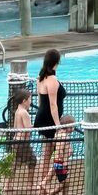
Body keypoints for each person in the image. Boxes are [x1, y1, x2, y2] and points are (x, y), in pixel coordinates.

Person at [34, 48, 67, 178]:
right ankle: (50, 181)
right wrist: (58, 125)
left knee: (47, 154)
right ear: (56, 62)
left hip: (42, 117)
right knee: (58, 152)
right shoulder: (52, 80)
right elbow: (53, 105)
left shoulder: (40, 78)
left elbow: (40, 101)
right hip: (50, 120)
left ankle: (44, 183)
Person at [38, 116, 76, 195]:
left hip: (58, 162)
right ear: (68, 126)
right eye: (72, 126)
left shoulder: (60, 134)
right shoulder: (63, 136)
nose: (74, 128)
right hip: (60, 163)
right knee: (65, 184)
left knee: (55, 179)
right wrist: (62, 161)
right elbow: (59, 149)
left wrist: (68, 150)